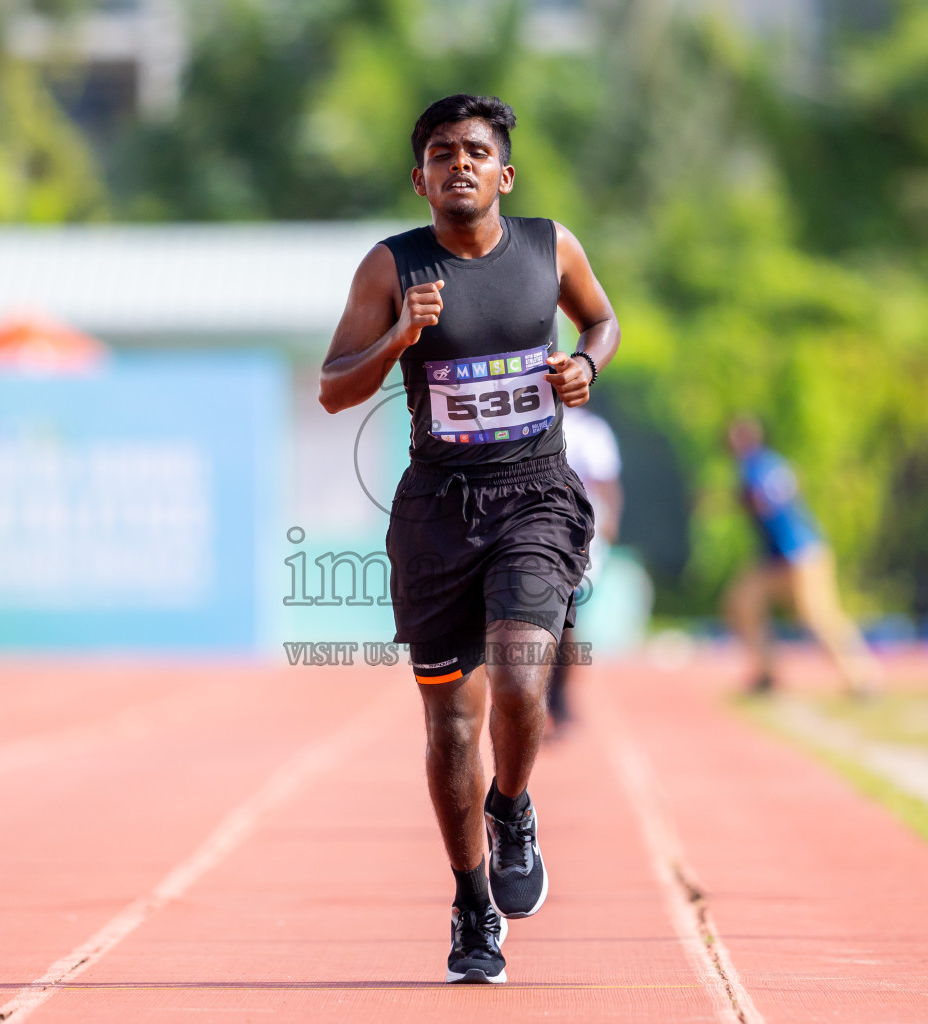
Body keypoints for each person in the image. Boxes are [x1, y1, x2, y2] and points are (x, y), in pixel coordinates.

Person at [319, 94, 618, 984]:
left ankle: (514, 806)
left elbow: (601, 318)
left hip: (535, 498)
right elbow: (335, 388)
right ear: (420, 178)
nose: (460, 164)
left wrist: (586, 363)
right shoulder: (390, 267)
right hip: (439, 514)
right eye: (442, 152)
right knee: (452, 725)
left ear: (504, 173)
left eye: (476, 151)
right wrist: (402, 335)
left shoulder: (548, 246)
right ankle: (471, 903)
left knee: (523, 679)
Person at [722, 415, 883, 697]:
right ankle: (766, 671)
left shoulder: (757, 466)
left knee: (818, 616)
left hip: (800, 554)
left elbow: (764, 500)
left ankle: (861, 677)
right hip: (779, 557)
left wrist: (732, 501)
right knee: (742, 602)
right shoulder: (768, 463)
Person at [546, 406, 623, 734]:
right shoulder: (541, 422)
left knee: (566, 620)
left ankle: (557, 698)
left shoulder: (593, 431)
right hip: (538, 530)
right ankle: (548, 698)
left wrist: (610, 524)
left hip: (579, 533)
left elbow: (607, 483)